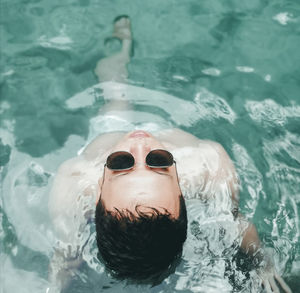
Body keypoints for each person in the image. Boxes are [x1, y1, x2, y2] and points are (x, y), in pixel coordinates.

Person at [48, 16, 292, 292]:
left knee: (115, 93)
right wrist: (262, 263)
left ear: (98, 191)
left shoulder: (77, 176)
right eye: (158, 163)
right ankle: (123, 46)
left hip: (109, 131)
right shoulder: (205, 162)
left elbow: (66, 253)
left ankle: (122, 47)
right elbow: (235, 223)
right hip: (169, 136)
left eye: (120, 165)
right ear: (181, 187)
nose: (140, 144)